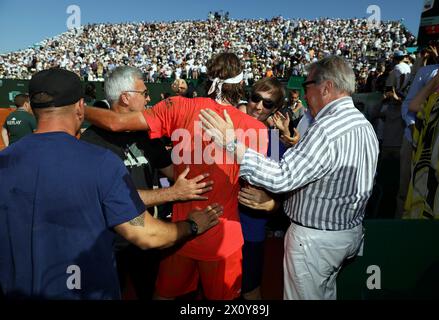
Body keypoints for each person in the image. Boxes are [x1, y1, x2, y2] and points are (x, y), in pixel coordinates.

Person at [0, 68, 222, 300]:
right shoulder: (98, 160)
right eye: (144, 92)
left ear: (32, 107)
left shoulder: (5, 162)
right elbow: (145, 233)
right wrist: (192, 226)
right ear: (79, 106)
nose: (148, 98)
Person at [84, 52, 268, 300]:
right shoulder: (256, 128)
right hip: (223, 234)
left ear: (207, 77)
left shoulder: (178, 106)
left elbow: (118, 123)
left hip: (179, 232)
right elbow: (258, 186)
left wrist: (78, 109)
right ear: (240, 83)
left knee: (165, 296)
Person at [200, 55, 379, 300]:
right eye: (255, 98)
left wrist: (232, 144)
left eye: (307, 87)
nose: (304, 96)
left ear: (325, 87)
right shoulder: (363, 124)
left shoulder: (326, 128)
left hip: (314, 240)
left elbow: (283, 178)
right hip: (341, 234)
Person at [81, 66, 214, 299]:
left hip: (150, 233)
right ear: (125, 96)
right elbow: (111, 198)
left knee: (151, 290)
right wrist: (173, 194)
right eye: (143, 93)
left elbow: (173, 170)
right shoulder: (92, 140)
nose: (149, 97)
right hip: (111, 242)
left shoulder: (146, 135)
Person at [237, 78, 285, 300]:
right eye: (255, 98)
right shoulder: (225, 130)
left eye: (267, 103)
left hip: (250, 230)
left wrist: (273, 203)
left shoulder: (275, 143)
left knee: (249, 289)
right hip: (215, 225)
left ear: (274, 109)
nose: (258, 106)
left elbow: (287, 193)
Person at [397, 31, 439, 218]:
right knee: (407, 192)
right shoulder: (428, 72)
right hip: (415, 141)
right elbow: (411, 105)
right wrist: (413, 128)